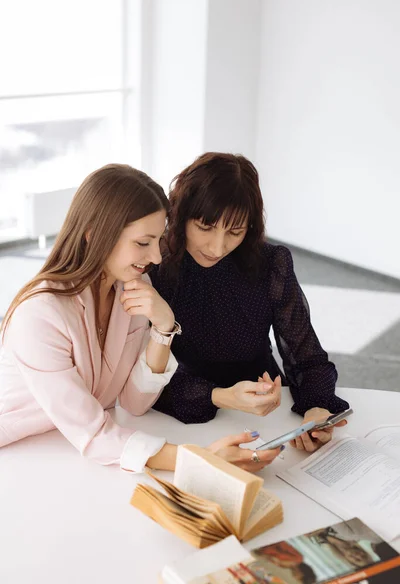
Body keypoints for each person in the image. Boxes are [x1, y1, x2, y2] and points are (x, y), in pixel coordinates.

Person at [0, 164, 280, 473]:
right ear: (95, 235)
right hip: (17, 454)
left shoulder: (134, 291)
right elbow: (94, 434)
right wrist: (201, 458)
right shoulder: (40, 315)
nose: (157, 258)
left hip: (67, 448)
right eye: (143, 243)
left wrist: (163, 328)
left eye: (159, 241)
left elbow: (135, 403)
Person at [151, 152, 349, 452]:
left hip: (262, 408)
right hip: (180, 407)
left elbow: (307, 357)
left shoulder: (270, 263)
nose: (218, 247)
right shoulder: (155, 265)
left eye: (235, 232)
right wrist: (221, 396)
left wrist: (317, 410)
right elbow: (139, 378)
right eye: (205, 227)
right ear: (180, 214)